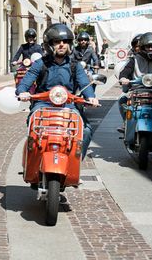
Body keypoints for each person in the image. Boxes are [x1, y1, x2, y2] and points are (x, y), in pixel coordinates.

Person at [16, 24, 99, 160]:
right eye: (57, 42)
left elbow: (84, 82)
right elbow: (26, 81)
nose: (62, 45)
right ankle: (33, 161)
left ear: (70, 44)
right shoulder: (40, 63)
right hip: (43, 104)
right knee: (33, 126)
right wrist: (22, 92)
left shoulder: (74, 65)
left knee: (86, 130)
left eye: (65, 41)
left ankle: (75, 162)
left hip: (69, 105)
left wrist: (91, 97)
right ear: (49, 44)